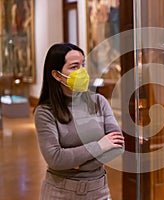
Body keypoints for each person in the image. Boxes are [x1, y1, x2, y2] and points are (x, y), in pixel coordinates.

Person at [34, 43, 124, 200]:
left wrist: (76, 164)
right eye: (74, 66)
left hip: (99, 191)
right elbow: (56, 159)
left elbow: (118, 146)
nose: (82, 71)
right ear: (57, 75)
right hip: (60, 192)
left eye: (83, 65)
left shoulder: (99, 102)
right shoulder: (45, 112)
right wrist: (100, 146)